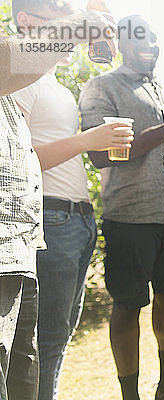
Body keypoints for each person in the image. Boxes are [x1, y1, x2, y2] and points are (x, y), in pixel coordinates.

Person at [79, 15, 164, 400]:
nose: (150, 43)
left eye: (154, 37)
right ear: (120, 42)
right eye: (140, 36)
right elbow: (99, 156)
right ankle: (130, 396)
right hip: (129, 219)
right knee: (128, 305)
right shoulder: (101, 87)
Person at [0, 4, 116, 399]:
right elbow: (27, 156)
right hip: (49, 217)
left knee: (54, 338)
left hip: (73, 221)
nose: (70, 23)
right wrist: (88, 141)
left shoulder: (58, 88)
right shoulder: (21, 80)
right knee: (40, 345)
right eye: (59, 12)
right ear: (28, 23)